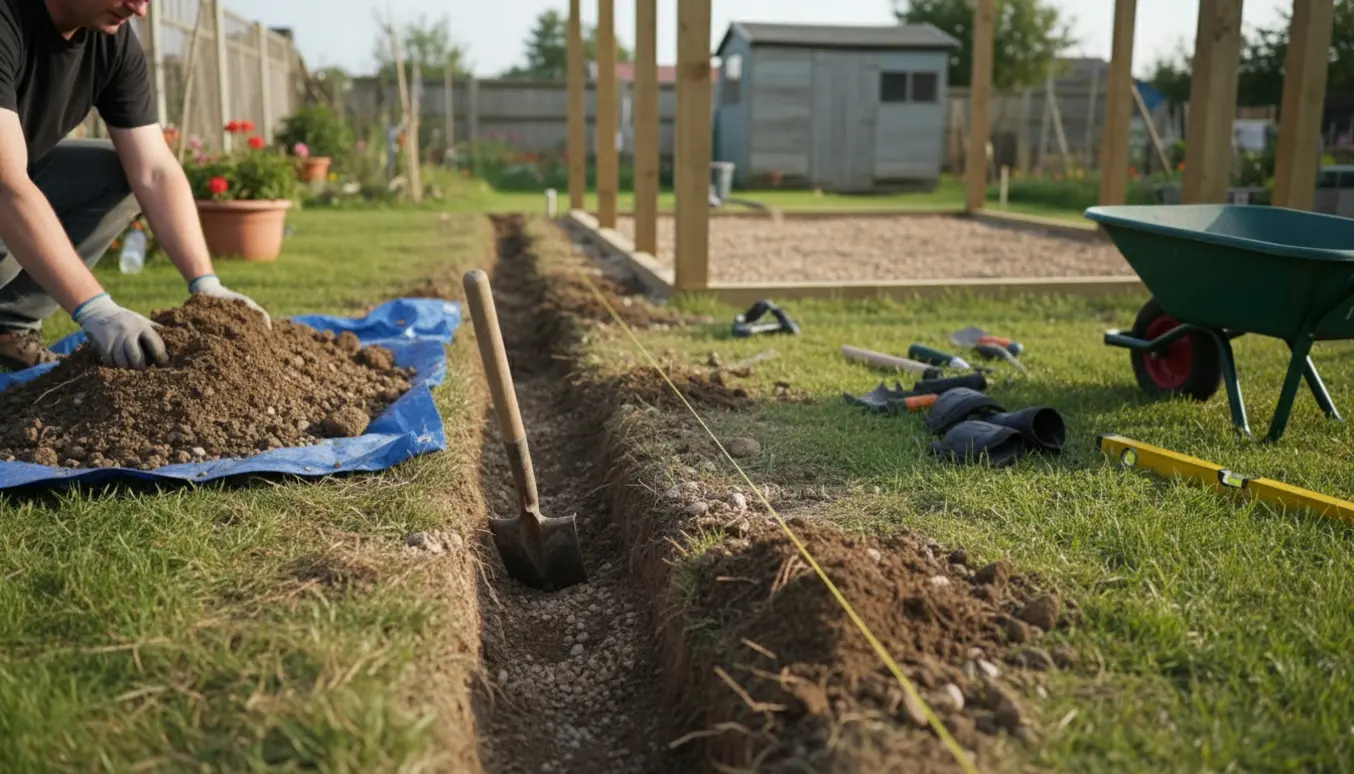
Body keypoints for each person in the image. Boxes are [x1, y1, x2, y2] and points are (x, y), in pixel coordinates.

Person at [0, 0, 268, 372]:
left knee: (120, 172)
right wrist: (95, 308)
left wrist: (206, 284)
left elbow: (155, 170)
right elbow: (6, 185)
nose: (140, 9)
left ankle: (8, 327)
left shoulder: (111, 41)